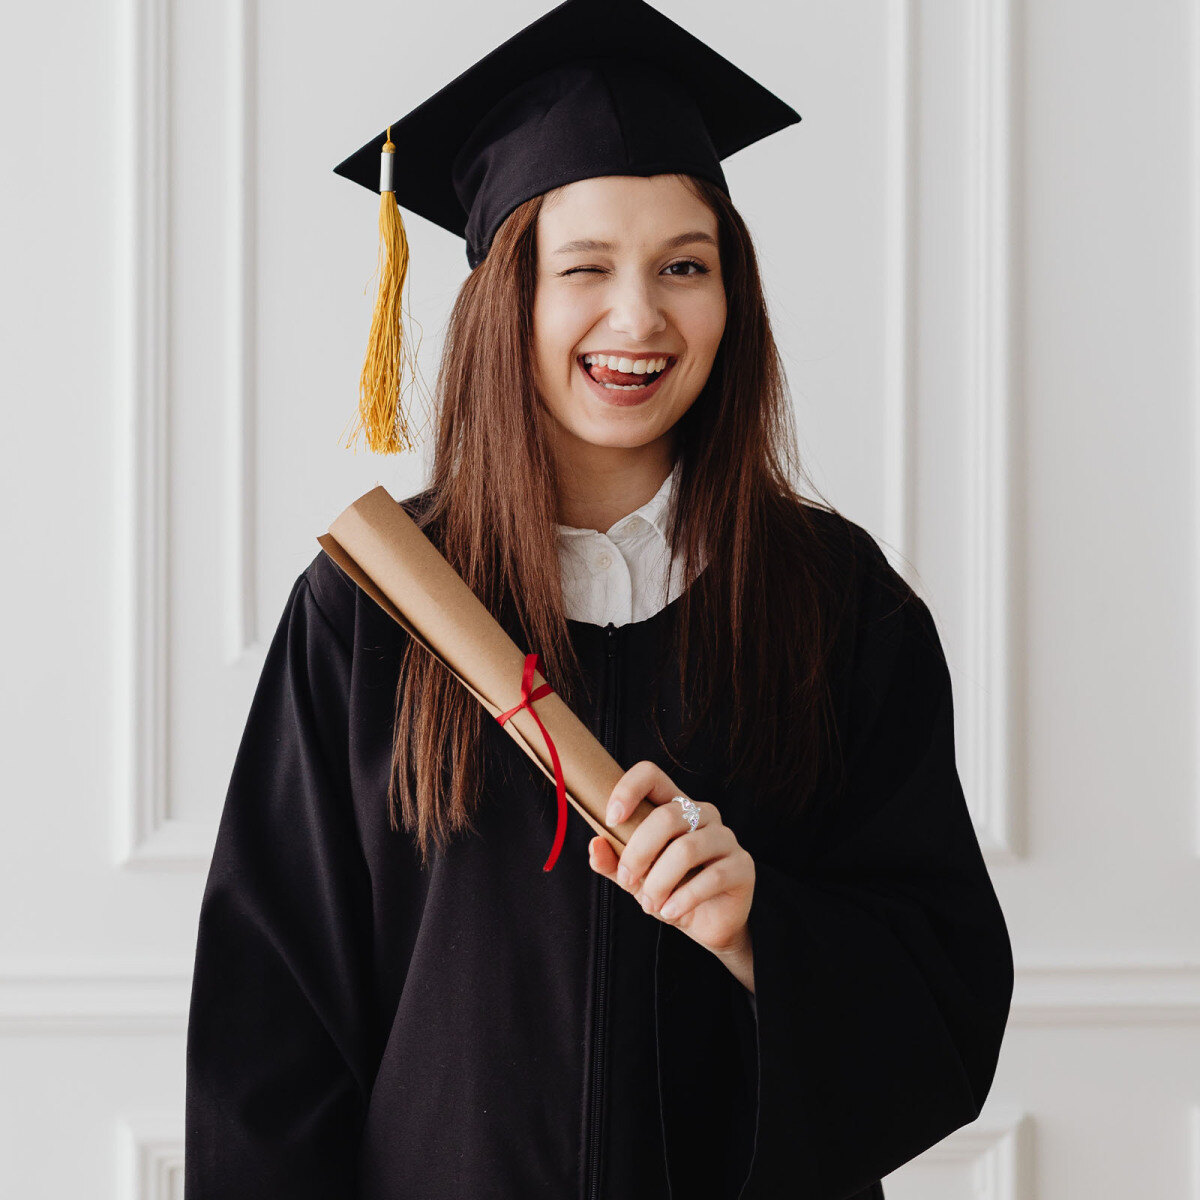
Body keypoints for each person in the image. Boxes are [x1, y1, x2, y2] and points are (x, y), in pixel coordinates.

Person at [183, 0, 1015, 1197]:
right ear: (502, 297)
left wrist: (758, 930)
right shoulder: (371, 613)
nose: (640, 317)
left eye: (686, 265)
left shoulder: (840, 607)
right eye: (585, 268)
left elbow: (944, 997)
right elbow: (272, 1035)